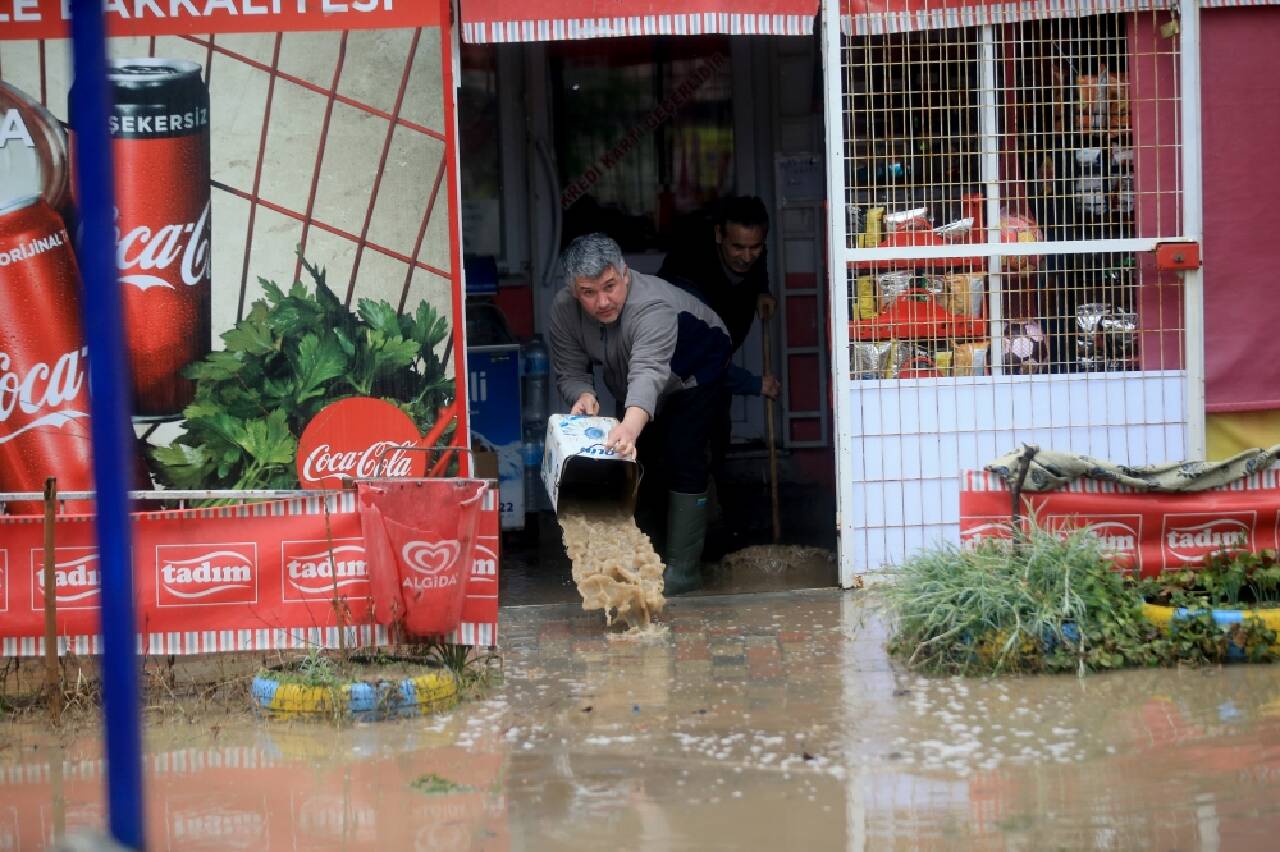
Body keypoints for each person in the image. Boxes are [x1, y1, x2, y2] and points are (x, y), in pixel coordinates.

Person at [548, 233, 731, 595]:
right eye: (588, 292)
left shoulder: (653, 307)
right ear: (573, 289)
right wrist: (583, 395)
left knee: (683, 453)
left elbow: (648, 371)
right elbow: (569, 369)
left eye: (610, 286)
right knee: (638, 461)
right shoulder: (563, 310)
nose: (602, 301)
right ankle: (648, 556)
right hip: (630, 376)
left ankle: (684, 569)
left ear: (625, 275)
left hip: (696, 366)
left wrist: (631, 426)